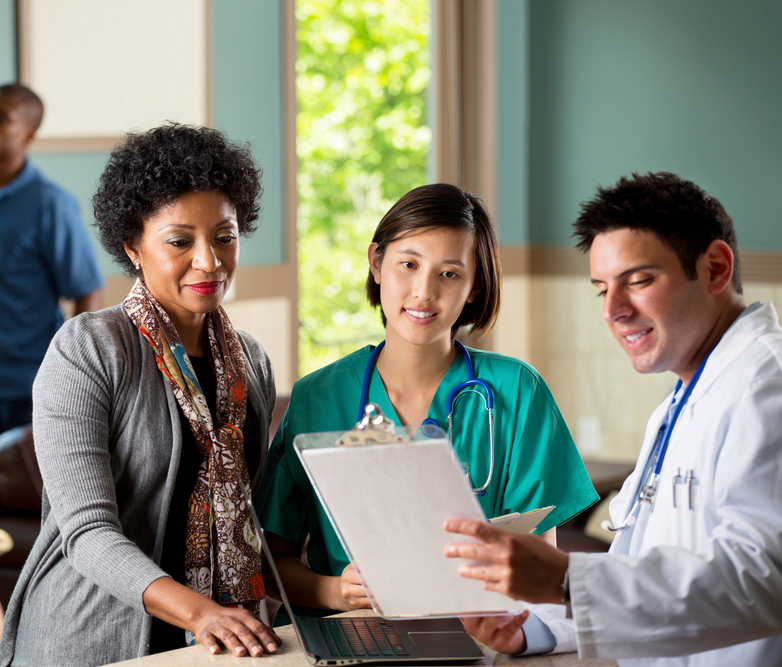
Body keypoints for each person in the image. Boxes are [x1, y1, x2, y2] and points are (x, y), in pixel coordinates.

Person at [444, 172, 782, 666]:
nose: (614, 310)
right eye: (602, 289)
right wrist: (528, 627)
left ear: (715, 268)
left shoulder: (766, 387)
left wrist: (563, 578)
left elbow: (762, 579)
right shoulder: (684, 397)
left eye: (638, 280)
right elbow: (641, 570)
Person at [0, 124, 282, 666]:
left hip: (218, 646)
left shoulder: (252, 363)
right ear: (133, 246)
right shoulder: (87, 349)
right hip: (90, 644)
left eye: (224, 236)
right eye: (180, 241)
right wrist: (201, 612)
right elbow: (86, 533)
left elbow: (255, 515)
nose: (210, 261)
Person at [259, 183, 598, 625]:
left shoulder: (517, 390)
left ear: (475, 286)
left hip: (484, 633)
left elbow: (541, 560)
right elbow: (269, 560)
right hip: (357, 633)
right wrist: (334, 592)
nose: (424, 291)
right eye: (408, 264)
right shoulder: (315, 397)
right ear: (377, 263)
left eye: (450, 273)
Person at [0, 83, 103, 434]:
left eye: (2, 118)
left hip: (25, 391)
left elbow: (87, 293)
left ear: (28, 136)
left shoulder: (50, 205)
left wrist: (70, 377)